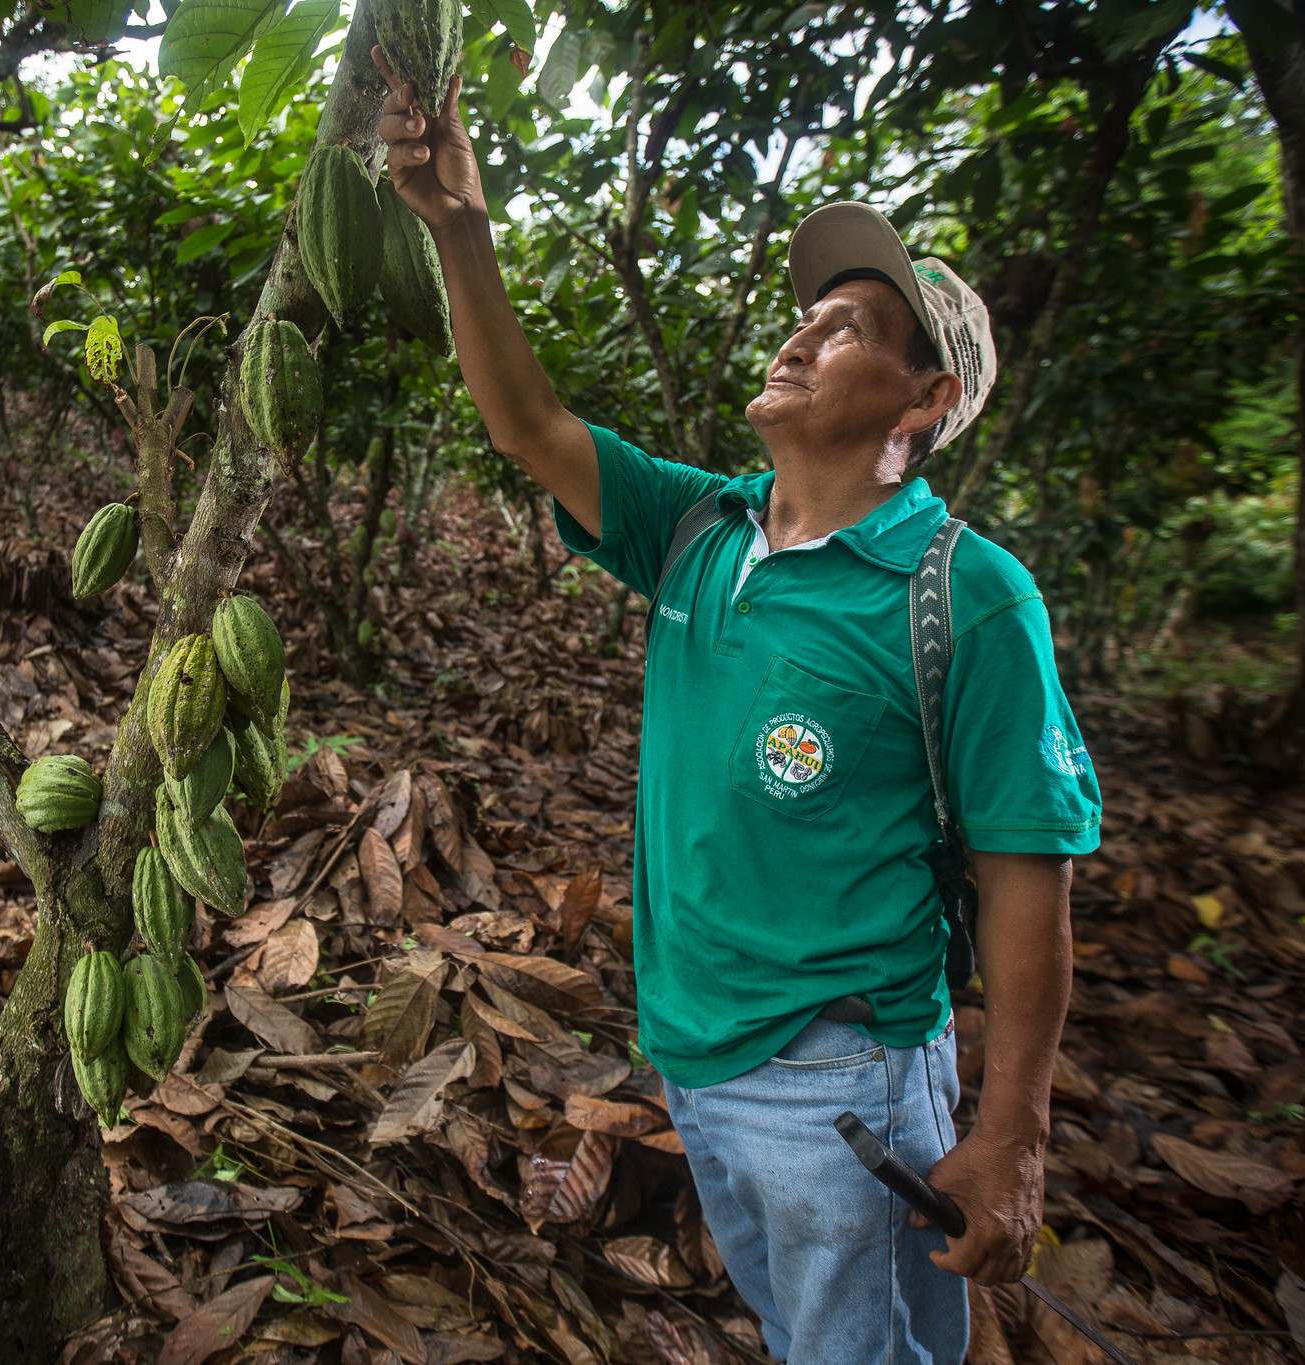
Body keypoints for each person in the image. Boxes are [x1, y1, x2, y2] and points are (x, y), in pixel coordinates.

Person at [371, 51, 1103, 1365]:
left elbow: (1025, 880)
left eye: (853, 329)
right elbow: (530, 424)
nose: (807, 329)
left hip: (843, 1084)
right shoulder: (701, 525)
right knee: (798, 1331)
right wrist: (458, 226)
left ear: (924, 404)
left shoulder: (967, 597)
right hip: (691, 1049)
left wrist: (1009, 1136)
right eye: (811, 309)